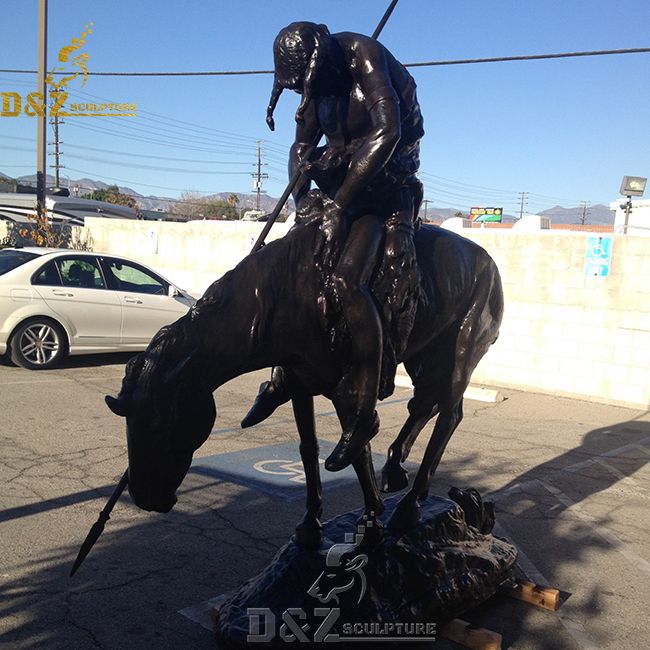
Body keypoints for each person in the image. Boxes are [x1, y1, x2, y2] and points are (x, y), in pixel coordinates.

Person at [243, 21, 424, 472]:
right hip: (337, 186)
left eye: (313, 83)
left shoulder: (365, 57)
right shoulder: (313, 85)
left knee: (346, 279)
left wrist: (339, 206)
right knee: (293, 271)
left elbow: (388, 132)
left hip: (384, 185)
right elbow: (299, 147)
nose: (311, 93)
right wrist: (305, 203)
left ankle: (362, 411)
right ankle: (284, 374)